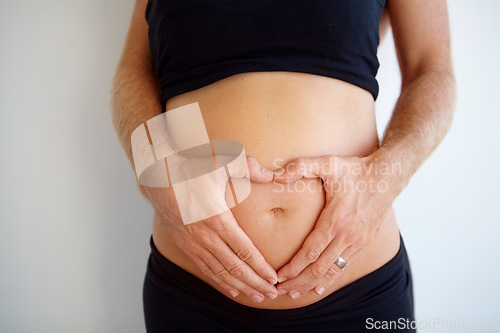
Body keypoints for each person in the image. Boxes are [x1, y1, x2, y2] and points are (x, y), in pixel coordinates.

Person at [111, 0, 456, 332]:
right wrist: (154, 170)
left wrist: (385, 177)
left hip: (358, 292)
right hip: (194, 294)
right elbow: (135, 68)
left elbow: (432, 70)